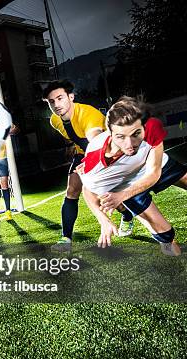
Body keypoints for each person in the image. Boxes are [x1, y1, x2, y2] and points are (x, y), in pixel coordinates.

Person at [78, 97, 187, 255]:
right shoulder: (94, 157)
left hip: (148, 163)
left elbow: (154, 173)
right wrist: (103, 219)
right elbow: (87, 190)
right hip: (124, 184)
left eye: (135, 134)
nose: (129, 144)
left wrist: (122, 196)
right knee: (165, 236)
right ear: (110, 133)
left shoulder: (151, 126)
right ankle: (175, 265)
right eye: (121, 137)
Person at [43, 80, 135, 251]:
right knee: (72, 191)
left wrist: (90, 162)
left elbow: (96, 138)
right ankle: (66, 240)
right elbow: (72, 135)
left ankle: (127, 214)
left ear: (71, 97)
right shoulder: (55, 121)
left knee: (103, 196)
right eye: (51, 101)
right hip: (82, 153)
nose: (56, 104)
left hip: (106, 152)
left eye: (60, 98)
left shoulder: (88, 114)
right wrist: (72, 146)